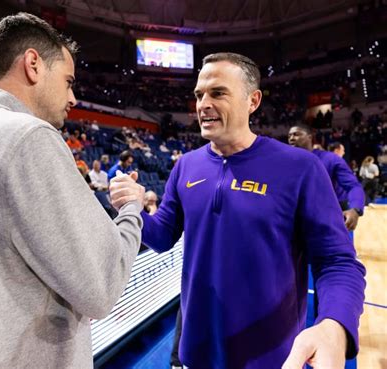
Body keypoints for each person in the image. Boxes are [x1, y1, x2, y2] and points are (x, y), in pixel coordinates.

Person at [0, 13, 145, 369]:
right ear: (34, 64)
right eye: (68, 81)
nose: (72, 97)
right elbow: (101, 287)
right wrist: (131, 209)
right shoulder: (29, 137)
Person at [112, 52, 366, 369]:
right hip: (196, 354)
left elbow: (338, 262)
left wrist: (334, 326)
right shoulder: (186, 166)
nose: (203, 104)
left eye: (218, 93)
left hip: (273, 359)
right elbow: (162, 236)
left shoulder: (300, 168)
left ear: (253, 100)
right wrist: (133, 206)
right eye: (199, 95)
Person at [288, 124, 364, 231]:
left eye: (296, 134)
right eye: (289, 136)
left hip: (327, 218)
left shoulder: (331, 159)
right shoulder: (286, 163)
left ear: (310, 137)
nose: (291, 138)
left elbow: (353, 186)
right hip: (295, 220)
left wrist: (356, 209)